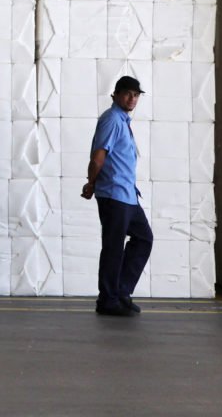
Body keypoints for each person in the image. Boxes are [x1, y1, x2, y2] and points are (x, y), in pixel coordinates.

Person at [80, 75, 153, 317]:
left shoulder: (122, 120)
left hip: (127, 194)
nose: (132, 99)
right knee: (113, 247)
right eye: (128, 94)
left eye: (136, 95)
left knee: (143, 238)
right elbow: (98, 157)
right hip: (113, 194)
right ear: (116, 94)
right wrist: (91, 183)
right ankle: (108, 300)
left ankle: (120, 292)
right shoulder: (111, 120)